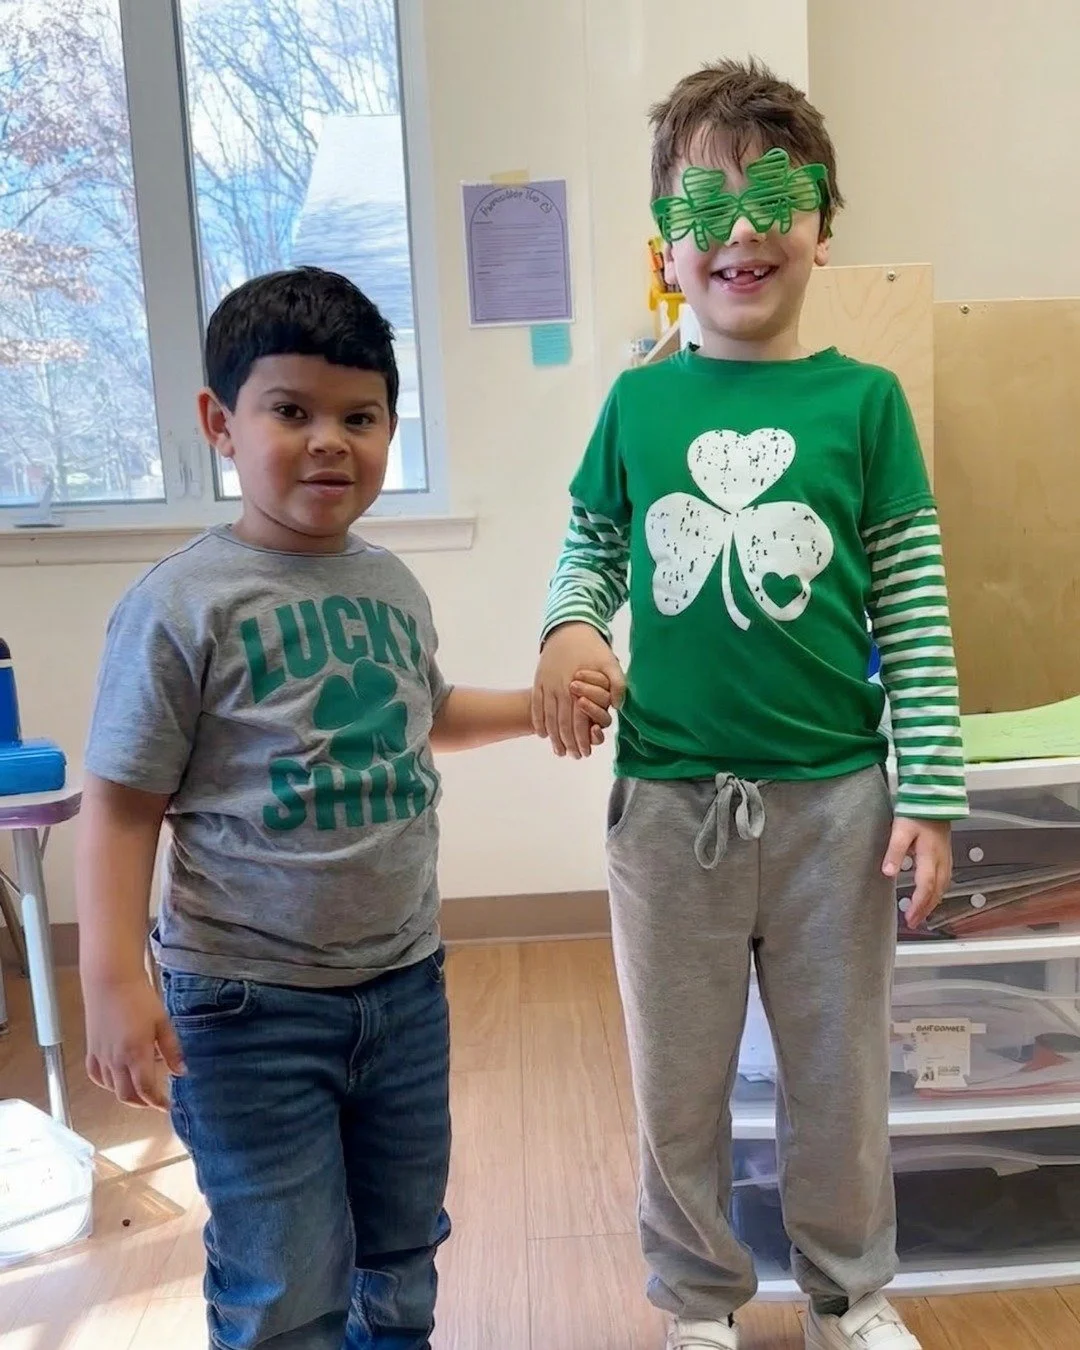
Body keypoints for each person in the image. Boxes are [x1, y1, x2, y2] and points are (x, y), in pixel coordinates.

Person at [75, 267, 610, 1350]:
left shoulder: (389, 586)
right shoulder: (182, 605)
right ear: (220, 424)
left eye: (359, 418)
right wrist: (113, 981)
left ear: (390, 432)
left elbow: (427, 714)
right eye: (292, 411)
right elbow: (123, 806)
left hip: (404, 989)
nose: (329, 441)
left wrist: (538, 706)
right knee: (284, 1278)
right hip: (246, 1006)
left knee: (401, 1254)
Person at [533, 59, 967, 1350]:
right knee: (679, 1085)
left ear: (823, 226)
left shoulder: (866, 405)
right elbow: (590, 547)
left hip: (838, 810)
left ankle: (848, 1291)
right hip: (671, 811)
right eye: (707, 204)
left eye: (776, 198)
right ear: (666, 244)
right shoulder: (638, 401)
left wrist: (931, 792)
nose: (743, 231)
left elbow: (916, 611)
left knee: (838, 1080)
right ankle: (699, 1303)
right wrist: (569, 627)